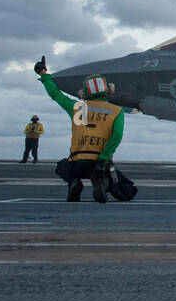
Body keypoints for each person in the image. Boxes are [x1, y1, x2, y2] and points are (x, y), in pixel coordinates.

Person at [35, 57, 124, 203]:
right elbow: (117, 135)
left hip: (76, 165)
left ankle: (74, 182)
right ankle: (100, 181)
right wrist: (102, 160)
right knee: (127, 191)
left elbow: (55, 94)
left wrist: (43, 73)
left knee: (61, 166)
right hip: (101, 165)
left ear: (85, 93)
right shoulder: (116, 111)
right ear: (108, 89)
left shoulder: (77, 108)